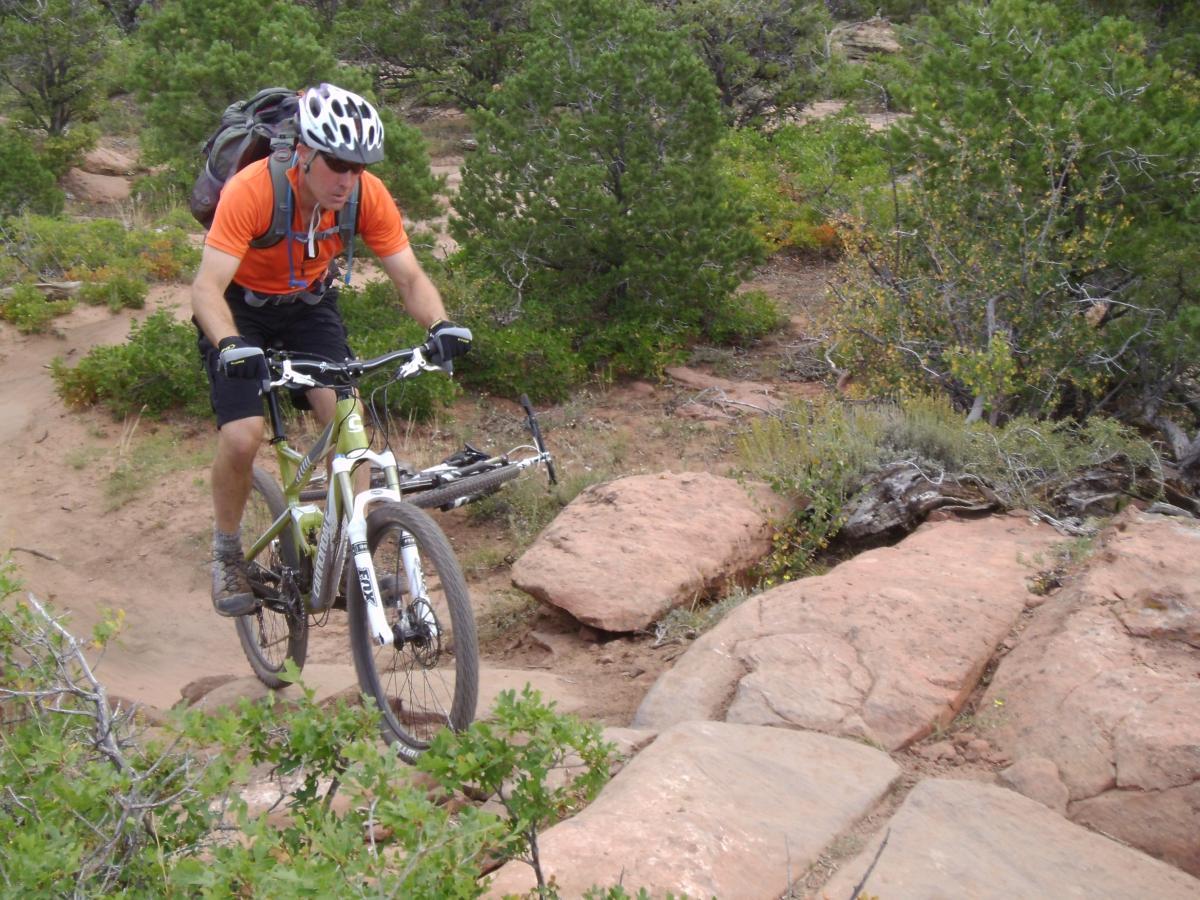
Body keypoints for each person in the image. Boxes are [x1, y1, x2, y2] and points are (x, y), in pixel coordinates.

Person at [191, 83, 471, 617]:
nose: (346, 179)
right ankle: (227, 553)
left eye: (357, 166)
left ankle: (348, 556)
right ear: (303, 152)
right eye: (336, 163)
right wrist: (230, 343)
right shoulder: (254, 190)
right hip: (237, 308)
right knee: (244, 435)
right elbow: (205, 289)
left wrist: (441, 324)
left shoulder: (366, 195)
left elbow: (409, 278)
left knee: (349, 423)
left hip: (308, 305)